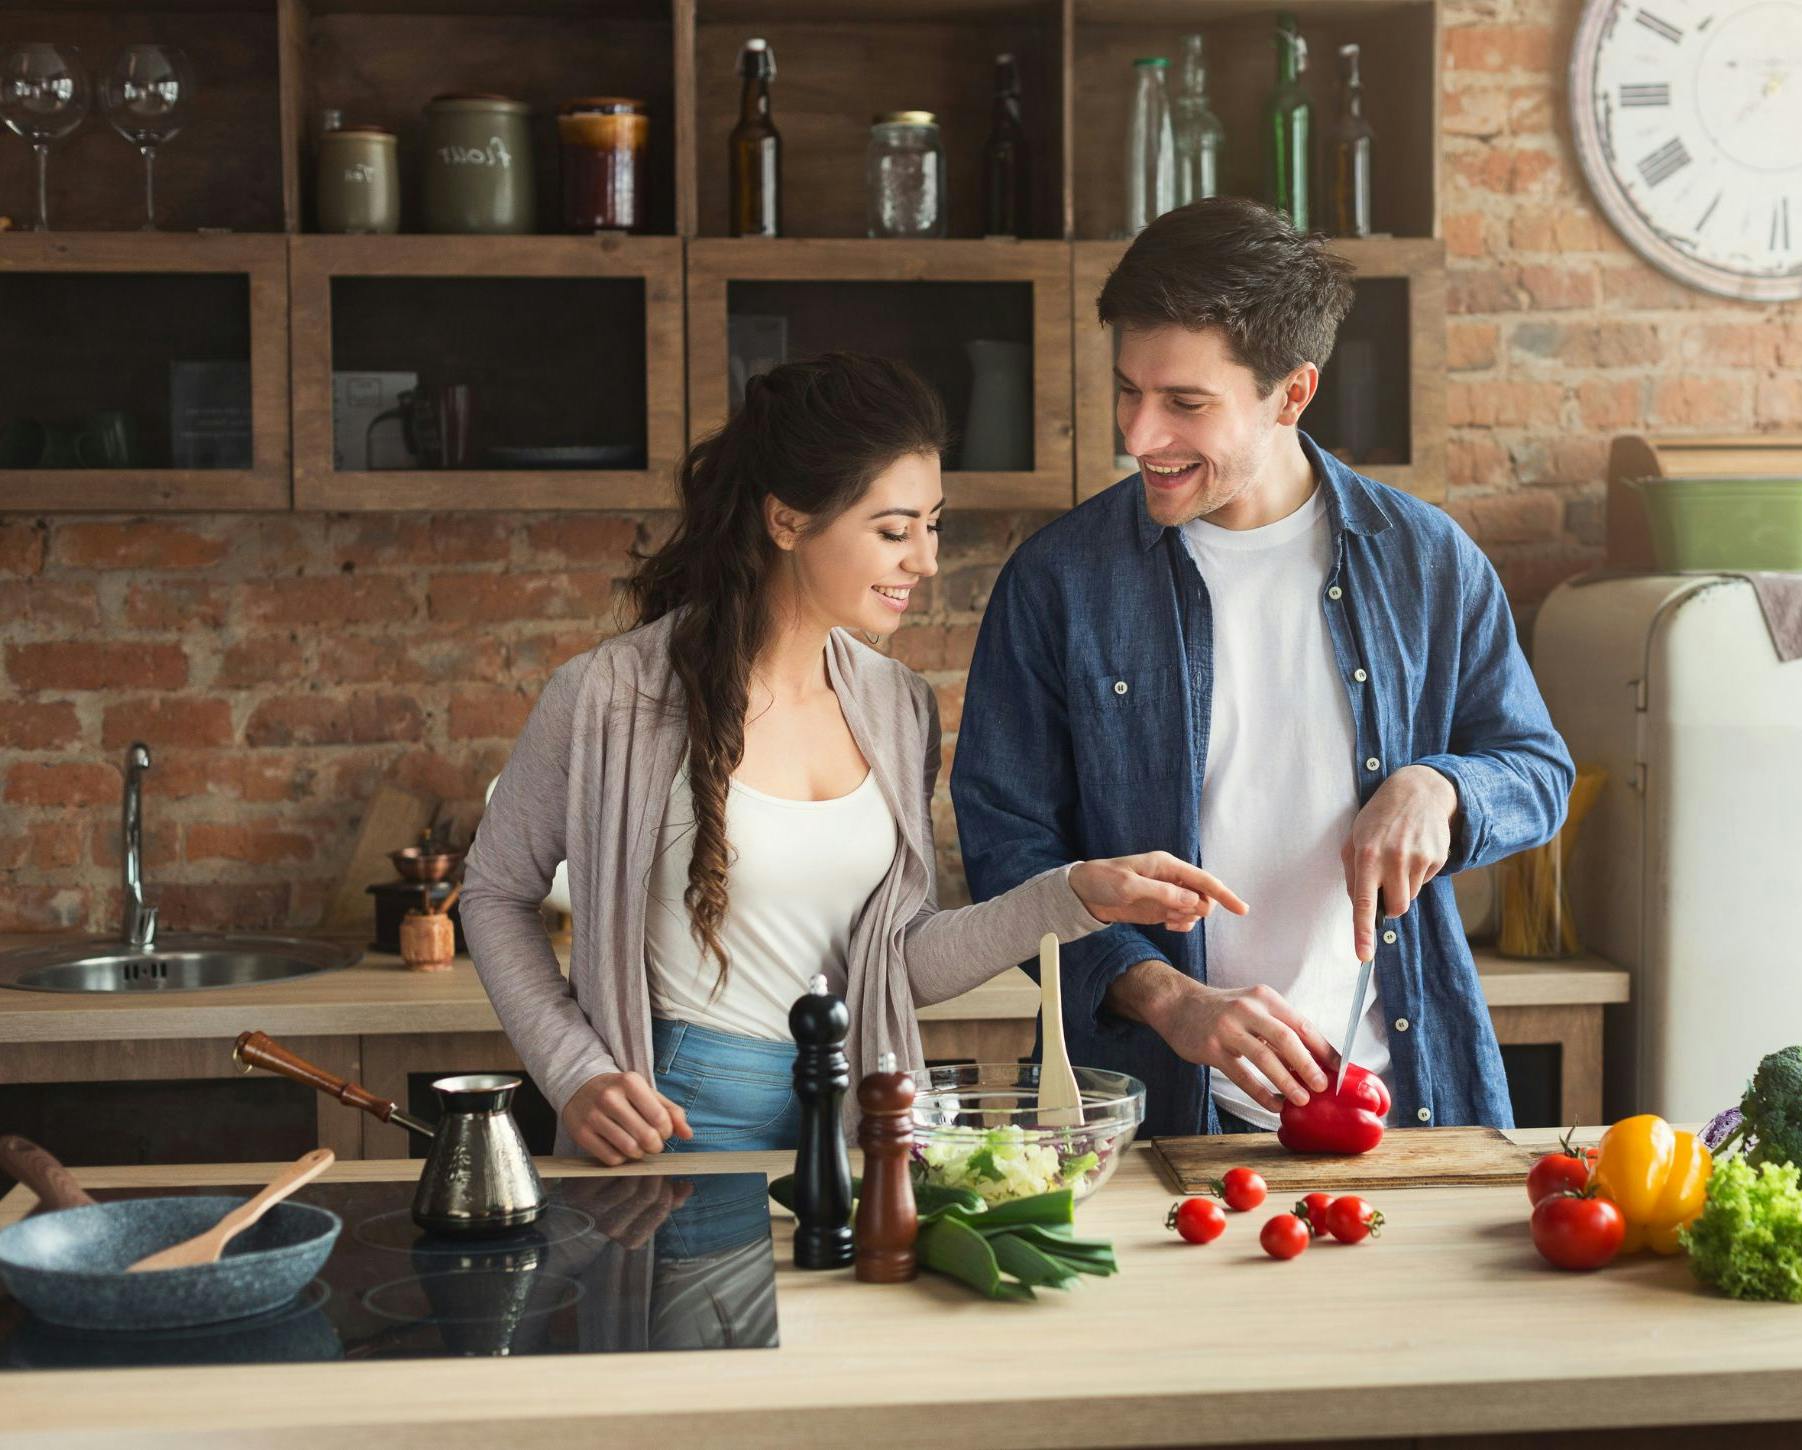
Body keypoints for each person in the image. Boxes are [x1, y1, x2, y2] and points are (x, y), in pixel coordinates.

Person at [462, 353, 1243, 1164]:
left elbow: (895, 963)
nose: (926, 560)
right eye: (893, 530)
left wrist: (1073, 895)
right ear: (788, 521)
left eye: (931, 524)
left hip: (860, 1119)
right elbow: (493, 893)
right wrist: (574, 1071)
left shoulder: (896, 706)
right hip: (678, 1118)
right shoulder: (609, 696)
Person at [952, 198, 1573, 1139]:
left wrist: (1439, 788)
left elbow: (1536, 771)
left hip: (1400, 1102)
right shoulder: (1059, 582)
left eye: (1185, 404)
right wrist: (1165, 997)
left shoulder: (1426, 562)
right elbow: (1008, 850)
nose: (1139, 435)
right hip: (1151, 1115)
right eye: (1128, 390)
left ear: (1291, 394)